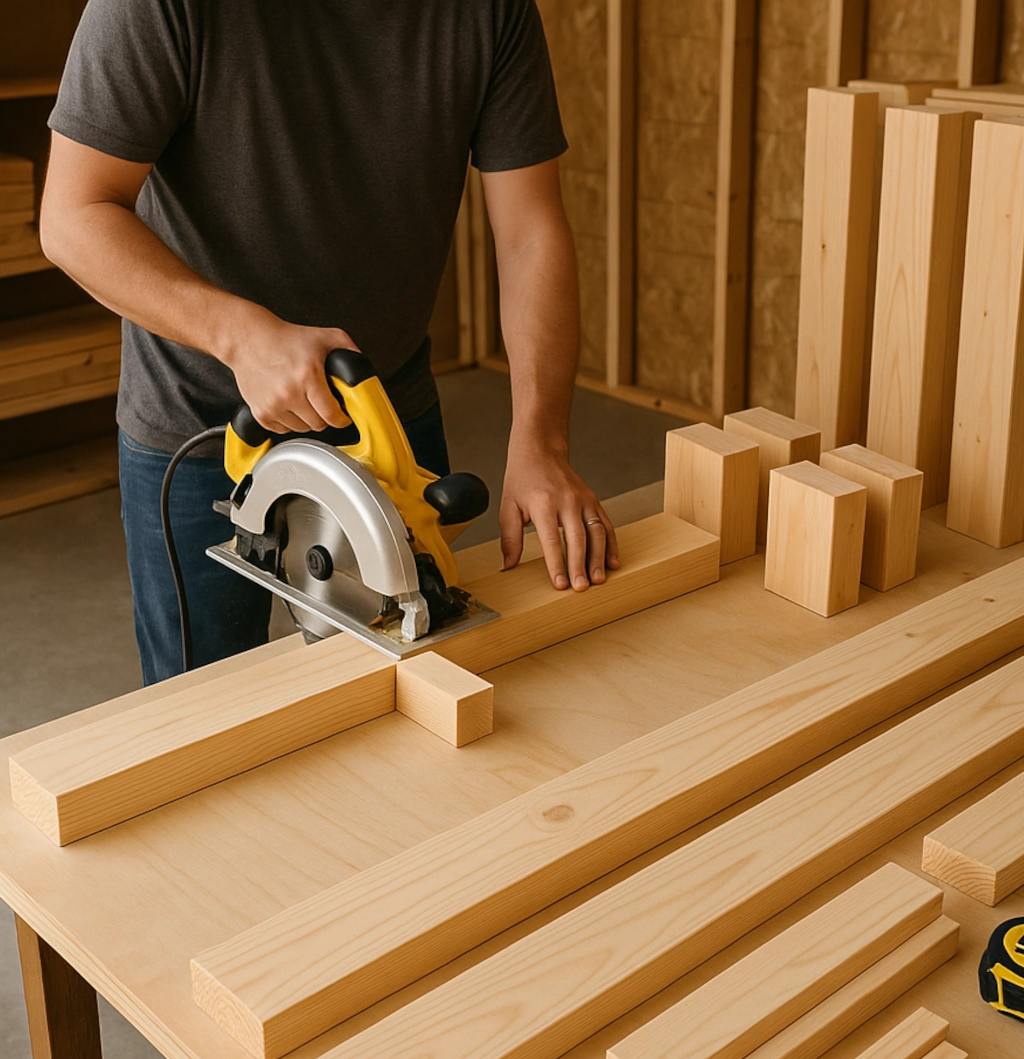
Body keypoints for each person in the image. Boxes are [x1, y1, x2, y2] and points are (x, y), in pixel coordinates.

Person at [39, 0, 619, 686]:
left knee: (416, 693)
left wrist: (542, 440)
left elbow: (530, 233)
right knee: (204, 721)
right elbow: (73, 215)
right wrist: (242, 336)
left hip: (382, 411)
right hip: (203, 421)